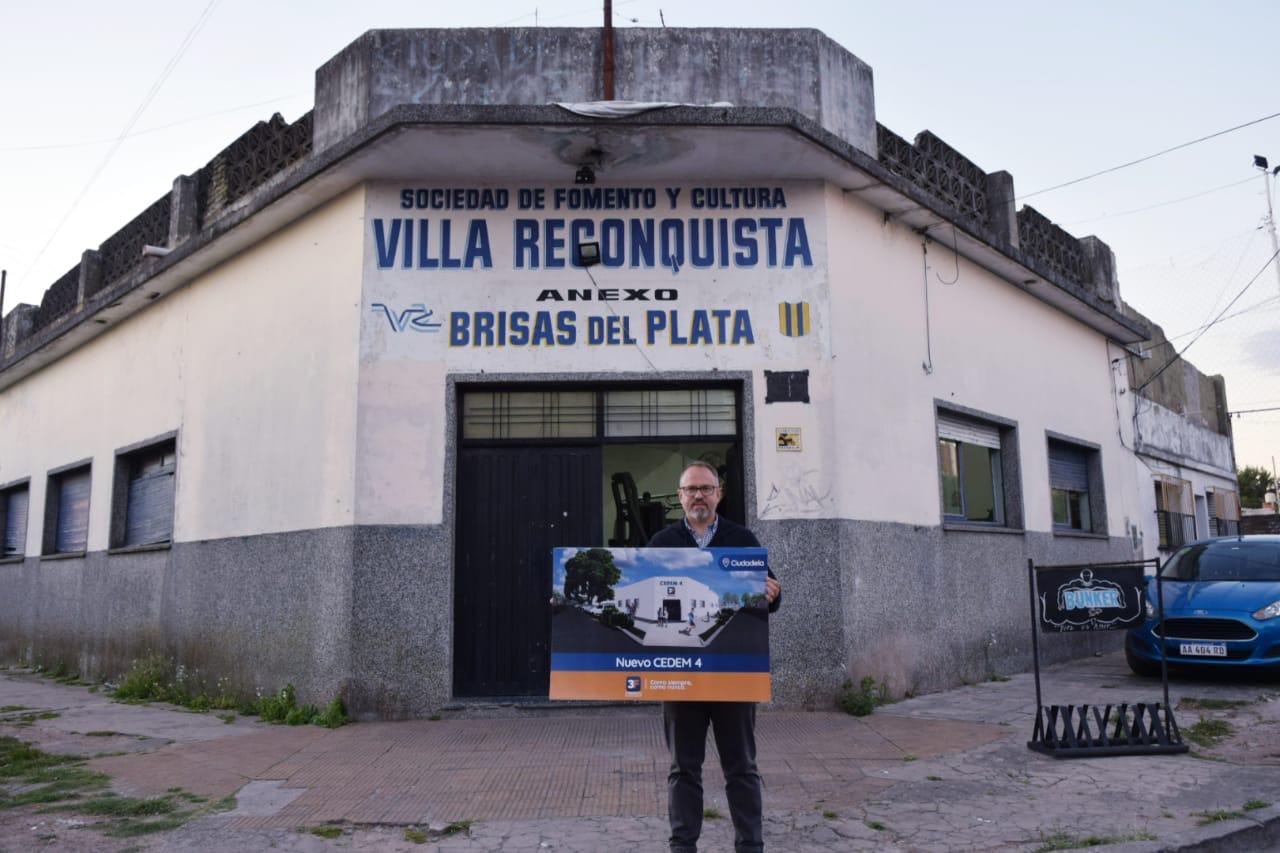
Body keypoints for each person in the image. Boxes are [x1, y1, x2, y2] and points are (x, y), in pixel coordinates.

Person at [647, 461, 781, 853]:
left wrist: (774, 594)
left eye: (706, 488)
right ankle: (682, 846)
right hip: (680, 677)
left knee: (741, 767)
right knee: (683, 768)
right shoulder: (661, 543)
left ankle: (750, 845)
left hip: (733, 676)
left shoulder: (742, 539)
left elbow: (768, 595)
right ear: (679, 497)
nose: (699, 496)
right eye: (691, 490)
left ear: (719, 494)